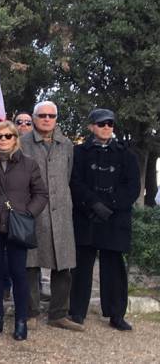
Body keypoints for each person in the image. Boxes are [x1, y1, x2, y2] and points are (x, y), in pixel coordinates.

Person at [69, 109, 139, 332]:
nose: (106, 127)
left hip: (115, 218)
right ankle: (77, 311)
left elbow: (132, 187)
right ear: (91, 127)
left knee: (114, 268)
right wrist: (92, 204)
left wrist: (110, 205)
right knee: (81, 267)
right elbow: (74, 181)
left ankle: (116, 314)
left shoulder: (126, 154)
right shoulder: (79, 153)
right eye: (101, 124)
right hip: (86, 215)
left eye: (110, 123)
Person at [0, 120, 48, 341]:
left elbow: (41, 194)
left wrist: (28, 213)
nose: (4, 140)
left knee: (19, 274)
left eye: (8, 136)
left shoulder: (29, 164)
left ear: (16, 139)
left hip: (18, 226)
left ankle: (20, 321)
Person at [20, 101, 82, 331]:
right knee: (31, 263)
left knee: (63, 264)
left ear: (56, 118)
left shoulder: (66, 144)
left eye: (51, 115)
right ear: (35, 117)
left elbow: (68, 174)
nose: (47, 119)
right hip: (33, 211)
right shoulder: (23, 143)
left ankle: (58, 313)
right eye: (42, 115)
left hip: (62, 211)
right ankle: (30, 312)